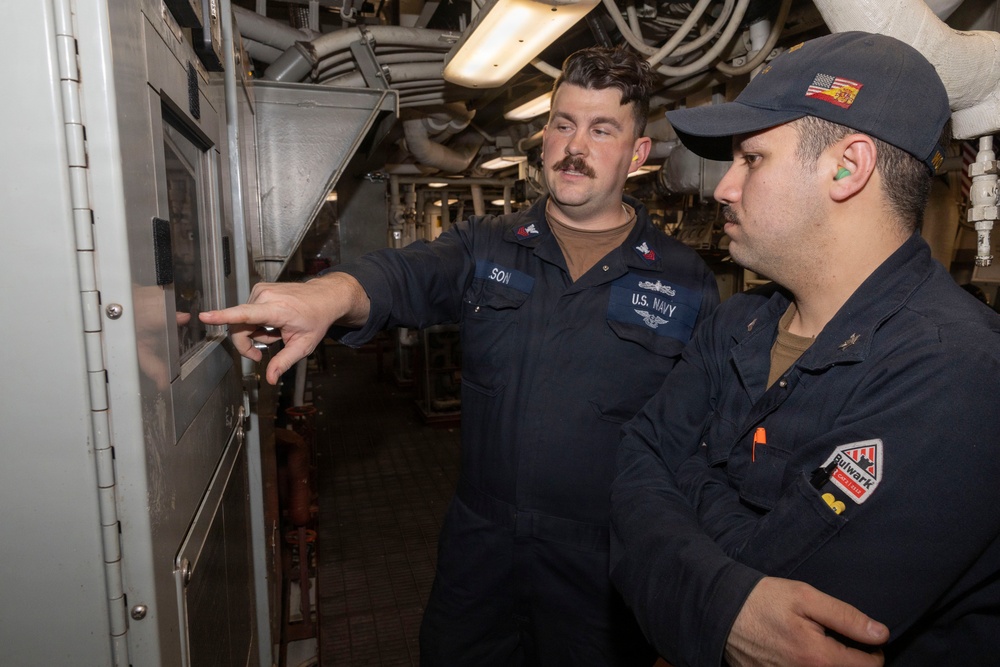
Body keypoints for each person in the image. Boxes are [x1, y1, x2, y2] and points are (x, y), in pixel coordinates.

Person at [202, 46, 723, 665]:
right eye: (563, 123)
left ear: (637, 153)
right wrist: (326, 295)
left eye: (602, 129)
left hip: (604, 561)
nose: (574, 145)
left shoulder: (685, 279)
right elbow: (406, 276)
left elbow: (701, 434)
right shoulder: (487, 246)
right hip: (483, 548)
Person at [610, 30, 1000, 667]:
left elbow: (799, 604)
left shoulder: (957, 376)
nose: (723, 188)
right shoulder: (737, 323)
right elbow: (637, 457)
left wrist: (687, 483)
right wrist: (726, 598)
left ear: (847, 167)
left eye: (752, 159)